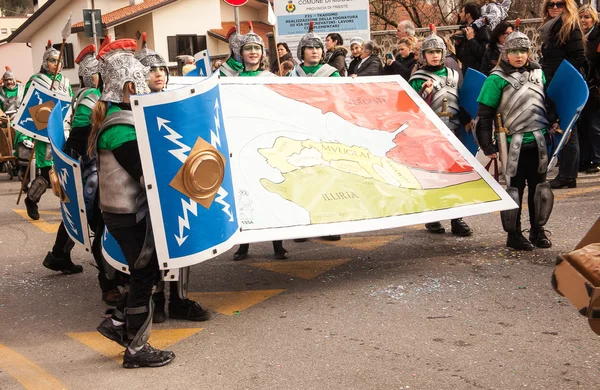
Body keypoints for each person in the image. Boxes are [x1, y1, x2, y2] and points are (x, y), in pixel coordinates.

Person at [91, 38, 175, 368]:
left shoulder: (119, 114)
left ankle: (115, 324)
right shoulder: (120, 126)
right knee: (144, 275)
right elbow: (145, 173)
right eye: (140, 80)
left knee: (146, 273)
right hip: (128, 213)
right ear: (129, 85)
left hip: (124, 212)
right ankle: (137, 349)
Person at [135, 33, 211, 323]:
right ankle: (154, 298)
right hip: (146, 186)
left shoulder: (176, 100)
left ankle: (178, 300)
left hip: (178, 183)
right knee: (152, 245)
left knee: (182, 239)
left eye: (161, 69)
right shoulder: (132, 105)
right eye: (151, 70)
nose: (158, 75)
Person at [42, 43, 123, 295]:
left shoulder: (98, 94)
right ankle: (108, 281)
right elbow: (78, 137)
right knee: (97, 219)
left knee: (85, 212)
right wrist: (71, 169)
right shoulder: (90, 96)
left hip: (102, 164)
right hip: (93, 167)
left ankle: (59, 254)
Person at [475, 31, 555, 250]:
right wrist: (487, 145)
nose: (519, 55)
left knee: (539, 189)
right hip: (512, 143)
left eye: (523, 51)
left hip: (539, 141)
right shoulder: (496, 79)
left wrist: (555, 122)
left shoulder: (538, 73)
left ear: (529, 52)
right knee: (514, 190)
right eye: (513, 51)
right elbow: (484, 115)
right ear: (505, 53)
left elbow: (545, 102)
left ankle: (537, 232)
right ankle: (514, 234)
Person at [231, 24, 289, 260]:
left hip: (267, 142)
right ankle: (244, 244)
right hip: (241, 142)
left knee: (273, 191)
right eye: (248, 49)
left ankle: (278, 244)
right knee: (245, 195)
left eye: (257, 48)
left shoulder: (271, 78)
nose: (253, 52)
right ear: (241, 54)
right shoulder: (232, 79)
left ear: (263, 53)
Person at [408, 27, 473, 237]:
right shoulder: (418, 77)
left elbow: (462, 100)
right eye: (431, 52)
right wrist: (423, 91)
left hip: (453, 131)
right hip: (430, 135)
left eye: (438, 51)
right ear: (423, 55)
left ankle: (457, 218)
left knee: (455, 176)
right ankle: (433, 216)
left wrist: (467, 120)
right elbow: (412, 108)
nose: (435, 55)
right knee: (433, 177)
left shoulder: (454, 74)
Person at [16, 40, 73, 221]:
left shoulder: (65, 81)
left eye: (59, 61)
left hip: (64, 131)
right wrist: (27, 134)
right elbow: (28, 108)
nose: (56, 64)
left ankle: (69, 207)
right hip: (44, 132)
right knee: (46, 174)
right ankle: (32, 200)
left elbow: (70, 105)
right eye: (52, 61)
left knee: (66, 171)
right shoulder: (36, 80)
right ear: (45, 62)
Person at [539, 0, 585, 189]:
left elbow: (578, 57)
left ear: (567, 6)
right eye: (551, 4)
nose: (555, 7)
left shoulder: (569, 26)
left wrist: (560, 79)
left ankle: (567, 176)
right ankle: (566, 174)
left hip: (564, 84)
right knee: (562, 129)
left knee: (568, 130)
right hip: (554, 82)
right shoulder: (552, 28)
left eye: (560, 4)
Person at [577, 4, 600, 174]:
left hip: (596, 86)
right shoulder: (577, 37)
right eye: (582, 17)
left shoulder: (598, 37)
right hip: (582, 86)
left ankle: (597, 159)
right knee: (583, 126)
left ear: (594, 19)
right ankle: (585, 159)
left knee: (595, 126)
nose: (584, 20)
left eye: (587, 17)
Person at [452, 3, 491, 74]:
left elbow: (484, 55)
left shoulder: (483, 29)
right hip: (467, 74)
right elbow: (462, 58)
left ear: (468, 15)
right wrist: (458, 43)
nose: (460, 15)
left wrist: (471, 40)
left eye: (462, 12)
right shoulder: (465, 31)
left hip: (479, 75)